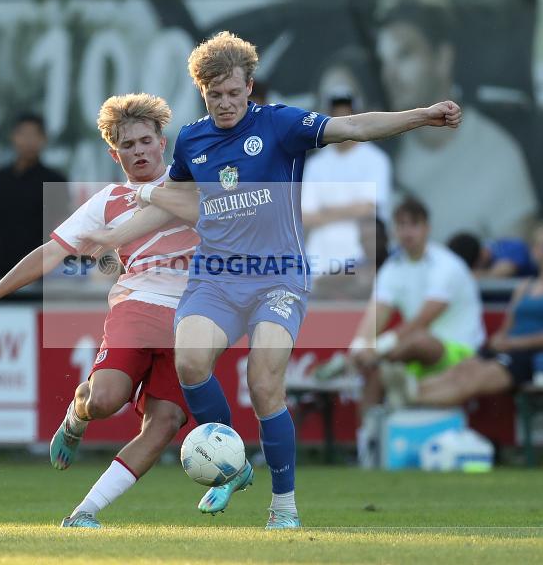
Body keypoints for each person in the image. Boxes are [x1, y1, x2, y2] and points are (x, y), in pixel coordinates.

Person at [81, 31, 461, 529]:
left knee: (264, 386)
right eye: (214, 95)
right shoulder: (193, 140)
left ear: (249, 86)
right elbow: (167, 205)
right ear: (202, 92)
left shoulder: (281, 124)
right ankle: (231, 466)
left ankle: (284, 506)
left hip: (277, 278)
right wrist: (111, 238)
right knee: (191, 361)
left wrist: (421, 115)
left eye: (233, 93)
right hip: (217, 277)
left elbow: (354, 127)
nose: (224, 103)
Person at [0, 94, 200, 529]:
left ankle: (84, 512)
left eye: (146, 141)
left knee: (164, 425)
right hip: (138, 308)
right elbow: (53, 252)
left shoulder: (189, 185)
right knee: (104, 399)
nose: (139, 151)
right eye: (128, 145)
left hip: (193, 321)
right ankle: (76, 416)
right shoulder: (107, 200)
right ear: (114, 153)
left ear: (162, 142)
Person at [375, 0, 536, 242]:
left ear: (443, 59)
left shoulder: (496, 154)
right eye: (384, 61)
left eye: (404, 55)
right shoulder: (381, 153)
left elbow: (517, 257)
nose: (389, 75)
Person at [402, 222, 543, 406]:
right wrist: (499, 339)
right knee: (460, 370)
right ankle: (409, 395)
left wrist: (514, 343)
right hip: (510, 349)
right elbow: (508, 326)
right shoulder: (524, 286)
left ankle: (411, 401)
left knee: (472, 378)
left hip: (537, 357)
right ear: (534, 251)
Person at [347, 199, 485, 412]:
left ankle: (400, 389)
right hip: (412, 351)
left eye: (414, 224)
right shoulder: (392, 268)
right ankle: (367, 440)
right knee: (374, 372)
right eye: (401, 225)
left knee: (416, 342)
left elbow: (422, 321)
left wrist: (376, 350)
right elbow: (376, 314)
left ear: (427, 228)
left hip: (462, 351)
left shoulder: (447, 265)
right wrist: (358, 348)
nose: (407, 232)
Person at [301, 92, 392, 296]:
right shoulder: (316, 164)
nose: (343, 124)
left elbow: (369, 208)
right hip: (320, 261)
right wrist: (351, 209)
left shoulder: (376, 159)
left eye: (347, 117)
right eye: (337, 118)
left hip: (362, 261)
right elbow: (306, 216)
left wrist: (326, 211)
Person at [0, 113, 70, 278]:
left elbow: (60, 228)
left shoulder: (55, 180)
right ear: (13, 137)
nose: (28, 141)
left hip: (41, 270)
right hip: (1, 269)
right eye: (23, 134)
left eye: (34, 135)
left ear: (43, 139)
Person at [448, 232, 536, 278]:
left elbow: (504, 271)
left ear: (482, 254)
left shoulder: (512, 246)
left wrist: (470, 275)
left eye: (476, 266)